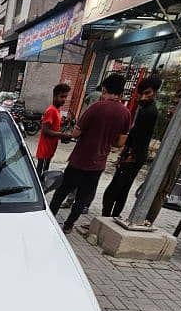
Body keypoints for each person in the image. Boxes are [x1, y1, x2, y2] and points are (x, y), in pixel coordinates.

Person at [49, 73, 131, 233]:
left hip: (79, 160)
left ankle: (51, 218)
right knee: (82, 198)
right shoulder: (126, 113)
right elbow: (120, 143)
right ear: (121, 92)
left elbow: (75, 133)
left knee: (62, 191)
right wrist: (106, 140)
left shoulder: (96, 107)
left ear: (105, 89)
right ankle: (68, 225)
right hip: (98, 164)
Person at [102, 76, 161, 218]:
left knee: (116, 189)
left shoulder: (150, 111)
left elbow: (138, 136)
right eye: (142, 93)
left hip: (134, 155)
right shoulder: (145, 108)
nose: (144, 96)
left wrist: (127, 152)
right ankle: (112, 216)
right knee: (120, 188)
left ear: (154, 92)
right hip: (132, 153)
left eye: (148, 93)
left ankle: (109, 217)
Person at [35, 83, 71, 178]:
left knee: (44, 172)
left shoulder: (57, 110)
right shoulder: (51, 110)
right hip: (45, 149)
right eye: (62, 96)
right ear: (55, 96)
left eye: (65, 97)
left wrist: (63, 123)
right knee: (41, 174)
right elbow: (45, 130)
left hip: (50, 149)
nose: (64, 99)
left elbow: (54, 126)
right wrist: (61, 135)